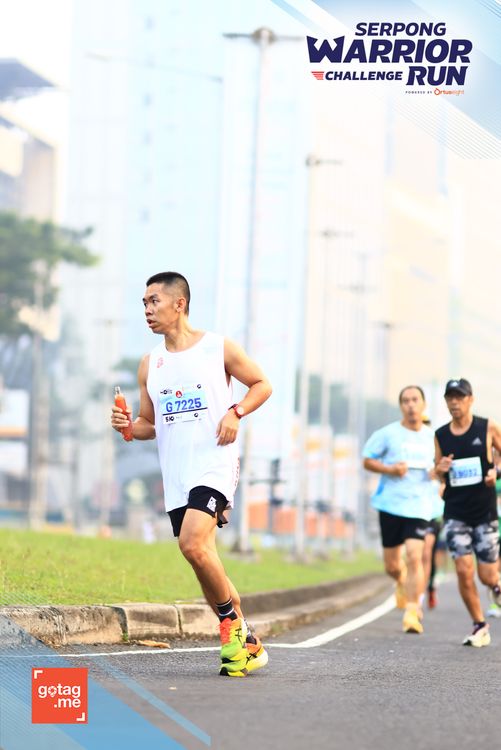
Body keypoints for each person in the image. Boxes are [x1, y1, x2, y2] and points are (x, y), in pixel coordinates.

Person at [111, 271, 272, 676]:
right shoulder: (151, 364)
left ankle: (231, 629)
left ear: (179, 304)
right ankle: (248, 641)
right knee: (202, 560)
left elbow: (261, 384)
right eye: (144, 303)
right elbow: (149, 424)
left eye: (154, 301)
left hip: (214, 463)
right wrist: (128, 428)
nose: (147, 310)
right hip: (177, 475)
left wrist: (236, 412)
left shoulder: (217, 348)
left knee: (193, 544)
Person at [363, 385, 435, 635]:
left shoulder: (434, 437)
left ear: (423, 404)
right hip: (391, 505)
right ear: (401, 405)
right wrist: (390, 469)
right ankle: (402, 581)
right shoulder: (388, 434)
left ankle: (412, 611)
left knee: (415, 555)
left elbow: (442, 465)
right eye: (406, 401)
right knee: (392, 566)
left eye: (415, 400)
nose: (411, 405)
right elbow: (367, 460)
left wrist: (438, 472)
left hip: (420, 505)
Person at [435, 378, 501, 647]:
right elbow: (437, 472)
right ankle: (479, 625)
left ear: (470, 399)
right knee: (463, 570)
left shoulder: (487, 427)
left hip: (484, 512)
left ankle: (496, 585)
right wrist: (440, 469)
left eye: (459, 397)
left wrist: (496, 473)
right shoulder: (441, 435)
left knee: (487, 576)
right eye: (450, 397)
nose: (455, 402)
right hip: (455, 512)